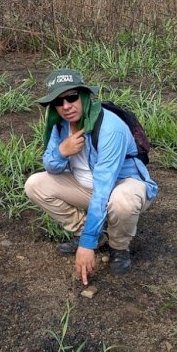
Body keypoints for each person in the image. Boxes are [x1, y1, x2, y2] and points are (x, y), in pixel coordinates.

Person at [25, 69, 158, 286]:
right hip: (86, 187)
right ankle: (91, 231)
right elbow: (50, 165)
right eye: (59, 102)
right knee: (35, 184)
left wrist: (86, 246)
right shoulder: (59, 125)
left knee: (122, 202)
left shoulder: (109, 128)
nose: (66, 106)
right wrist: (62, 151)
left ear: (85, 96)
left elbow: (104, 187)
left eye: (72, 97)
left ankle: (119, 247)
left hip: (121, 186)